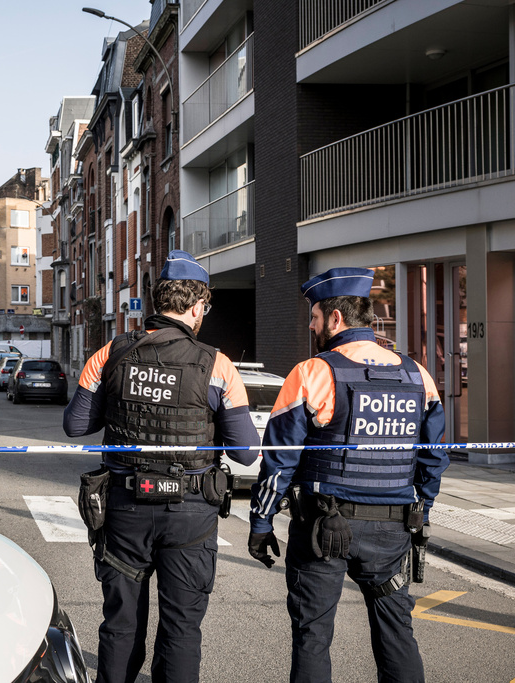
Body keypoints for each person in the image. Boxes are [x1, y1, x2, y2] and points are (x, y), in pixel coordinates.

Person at [64, 250, 260, 683]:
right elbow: (247, 453)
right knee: (182, 629)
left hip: (124, 508)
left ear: (157, 303)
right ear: (196, 307)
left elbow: (76, 425)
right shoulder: (217, 364)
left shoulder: (109, 354)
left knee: (119, 625)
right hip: (190, 514)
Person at [247, 267, 448, 683]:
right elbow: (434, 458)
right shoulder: (418, 375)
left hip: (324, 526)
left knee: (312, 635)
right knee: (396, 631)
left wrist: (261, 522)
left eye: (316, 316)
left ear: (336, 319)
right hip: (393, 530)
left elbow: (279, 459)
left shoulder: (312, 372)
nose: (312, 324)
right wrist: (421, 513)